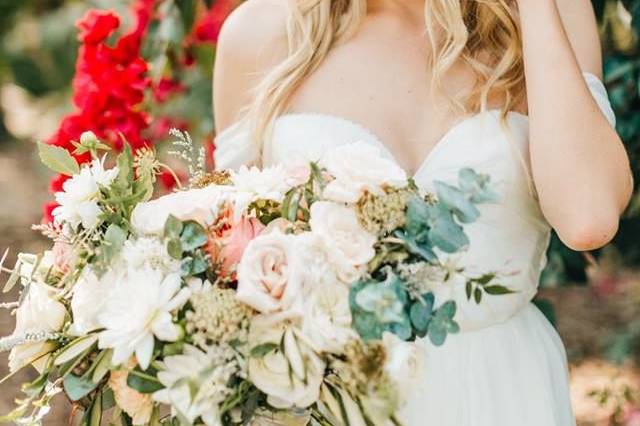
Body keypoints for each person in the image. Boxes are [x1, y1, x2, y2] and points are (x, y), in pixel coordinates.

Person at [212, 0, 633, 424]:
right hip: (328, 400)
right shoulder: (258, 33)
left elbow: (588, 218)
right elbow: (231, 266)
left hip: (500, 394)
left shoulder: (552, 15)